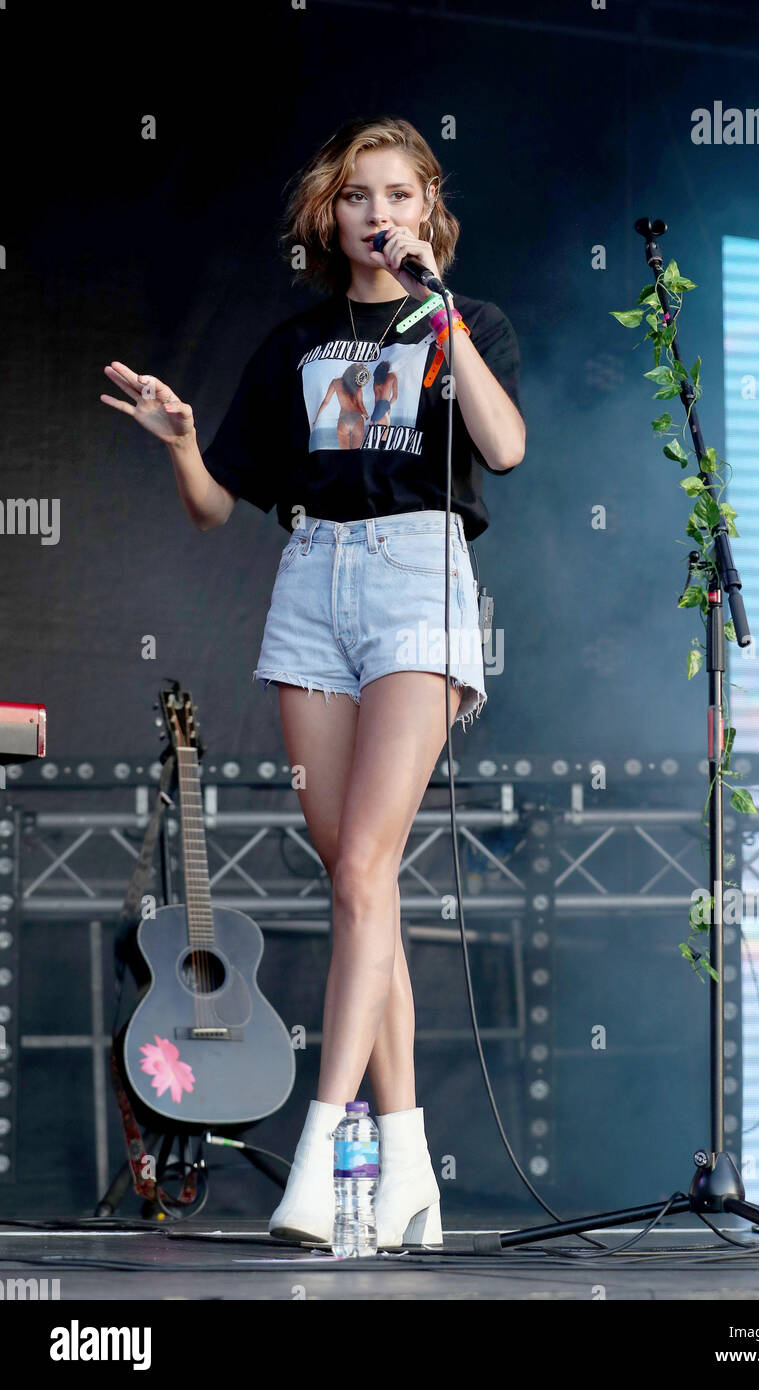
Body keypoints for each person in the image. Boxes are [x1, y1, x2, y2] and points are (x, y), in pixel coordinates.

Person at [100, 113, 526, 1252]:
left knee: (366, 873)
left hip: (418, 584)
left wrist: (438, 312)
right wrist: (185, 442)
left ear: (426, 214)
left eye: (396, 195)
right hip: (311, 586)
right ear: (327, 219)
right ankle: (408, 1168)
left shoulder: (465, 322)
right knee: (356, 880)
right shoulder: (294, 345)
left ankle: (327, 1149)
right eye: (355, 197)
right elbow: (212, 505)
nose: (375, 214)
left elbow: (507, 447)